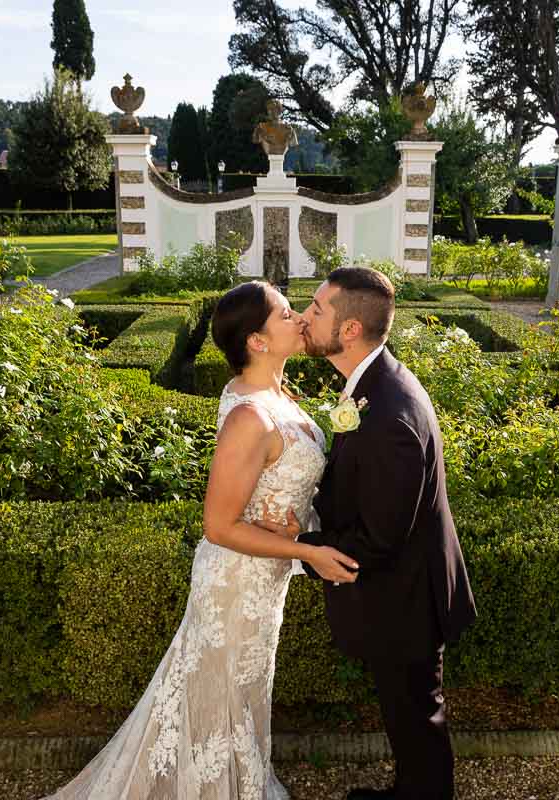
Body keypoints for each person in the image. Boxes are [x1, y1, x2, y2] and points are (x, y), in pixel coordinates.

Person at [42, 280, 358, 800]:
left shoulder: (275, 393)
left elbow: (282, 488)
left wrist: (305, 528)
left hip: (263, 579)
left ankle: (236, 783)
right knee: (223, 689)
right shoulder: (248, 416)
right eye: (285, 315)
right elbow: (219, 526)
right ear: (256, 341)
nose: (300, 318)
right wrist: (308, 551)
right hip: (235, 581)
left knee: (244, 690)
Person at [260, 266, 477, 800]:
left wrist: (300, 546)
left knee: (417, 720)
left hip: (406, 600)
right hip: (402, 592)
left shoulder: (387, 415)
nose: (304, 318)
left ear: (350, 330)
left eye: (316, 309)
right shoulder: (372, 387)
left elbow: (380, 540)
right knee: (408, 716)